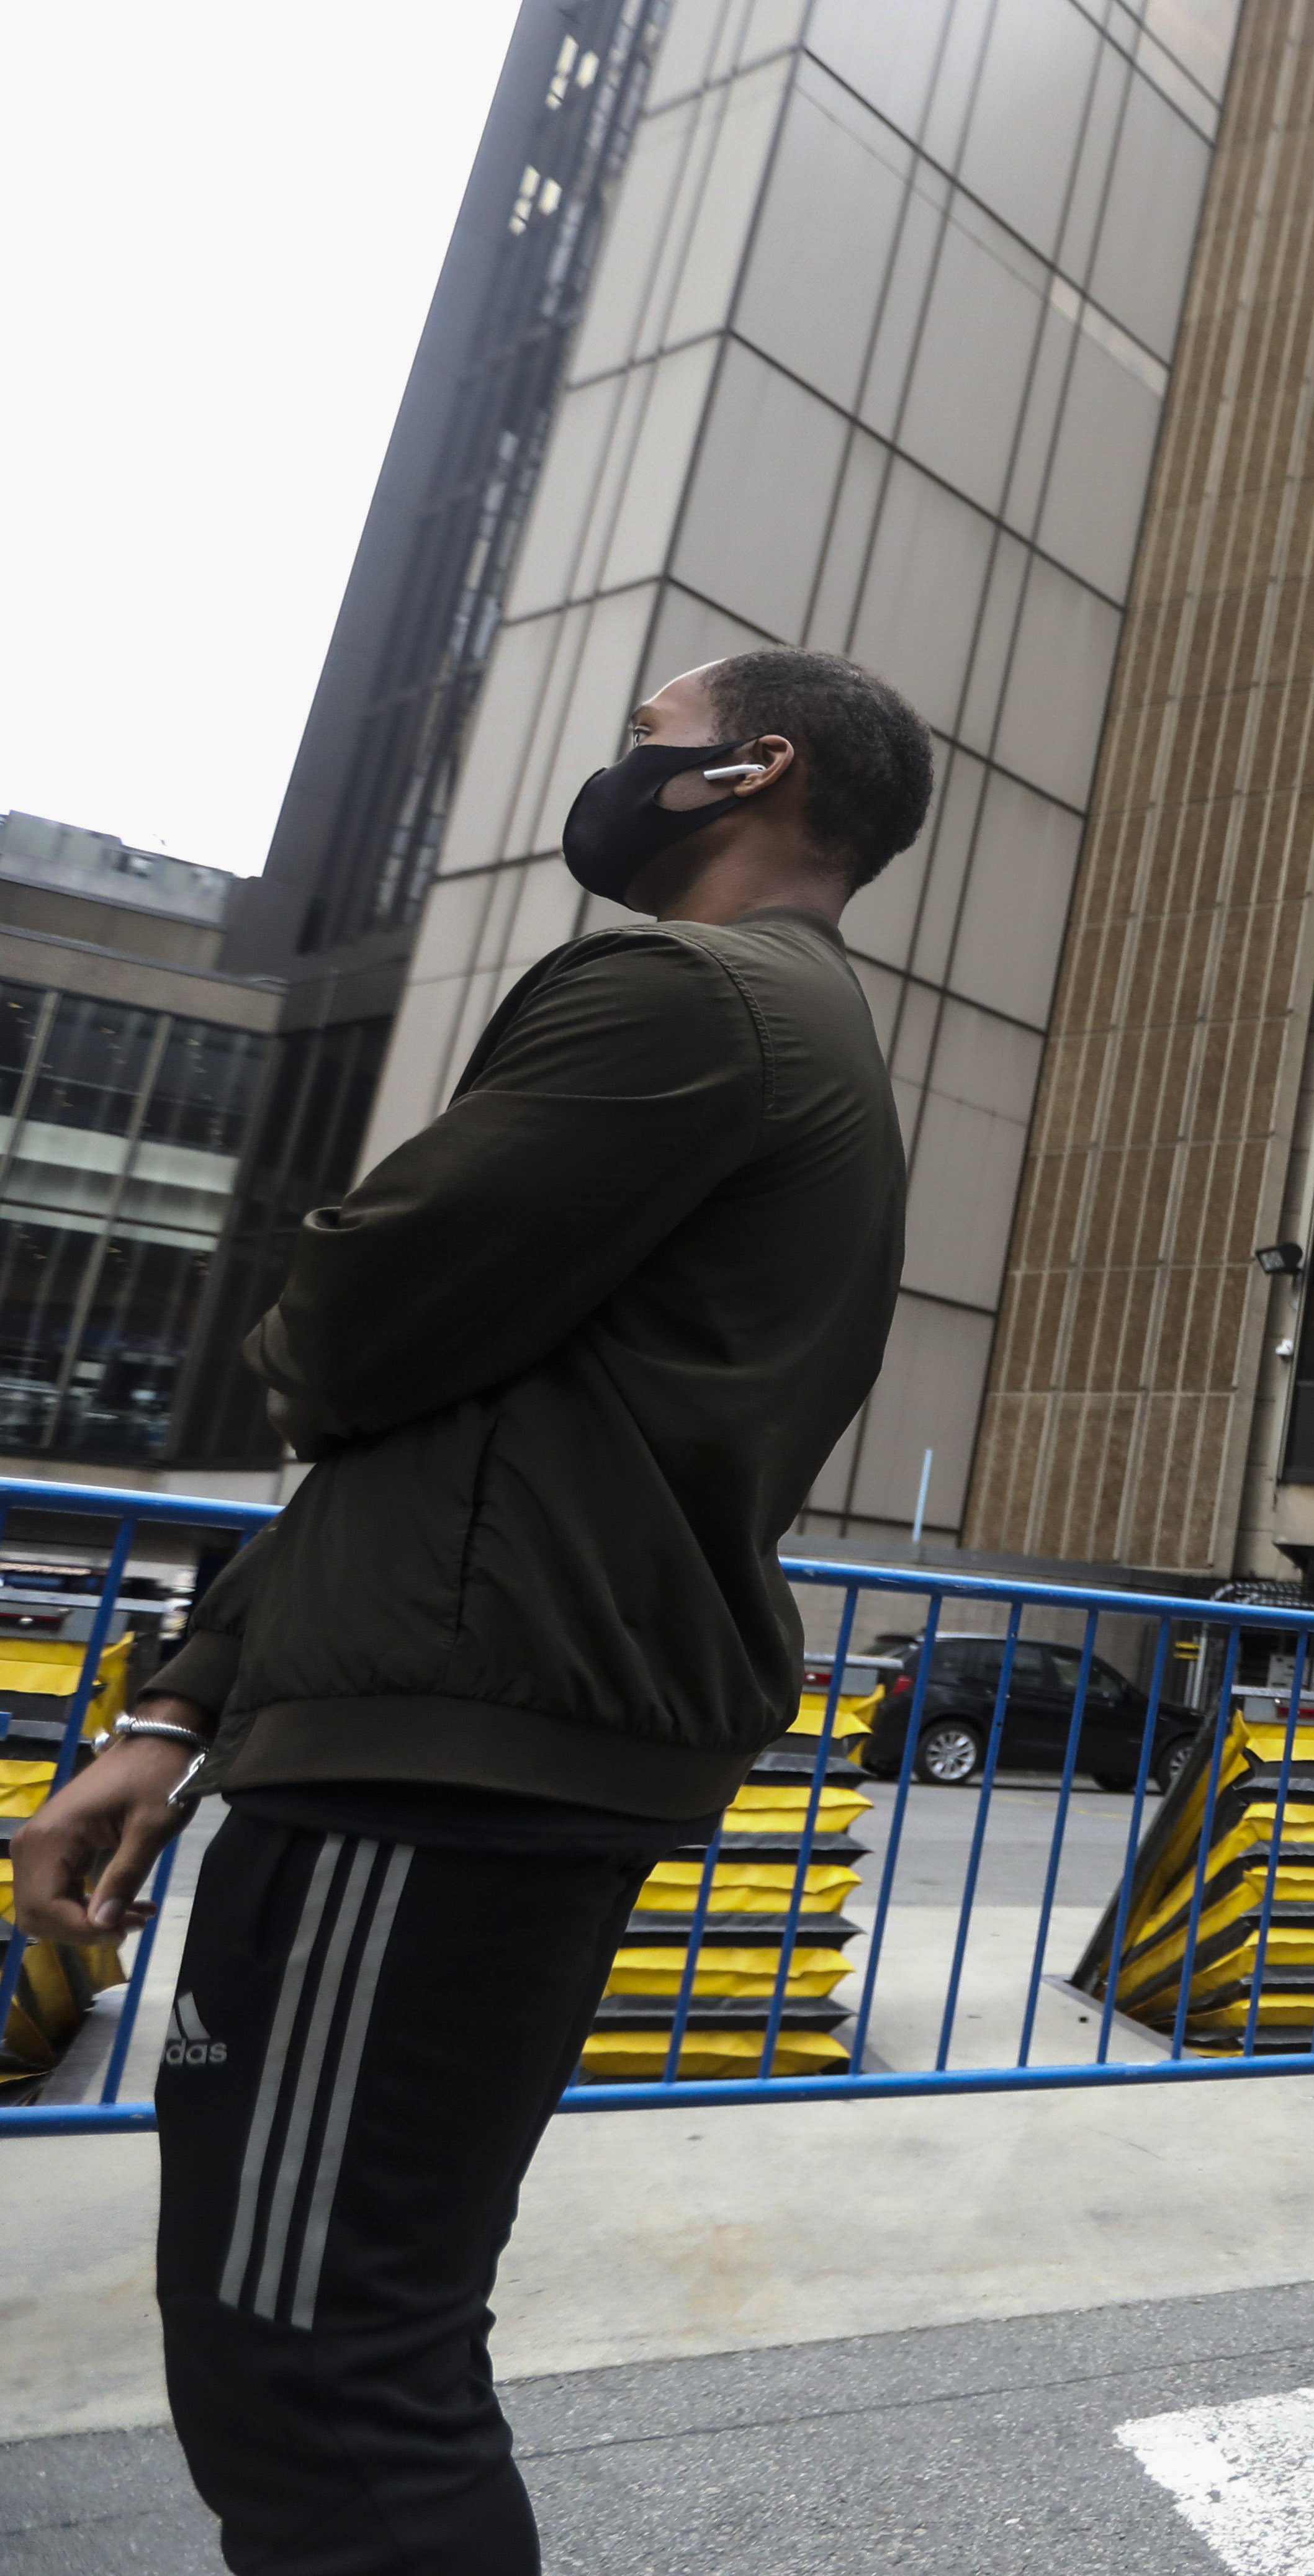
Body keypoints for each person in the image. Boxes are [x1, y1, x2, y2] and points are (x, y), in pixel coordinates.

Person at [7, 650, 920, 2573]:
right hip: (466, 1737)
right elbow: (450, 1440)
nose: (616, 774)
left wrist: (309, 1325)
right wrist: (178, 1713)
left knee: (319, 2372)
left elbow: (344, 1333)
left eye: (642, 745)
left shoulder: (683, 994)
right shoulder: (800, 1030)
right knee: (344, 2342)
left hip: (439, 1767)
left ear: (749, 771)